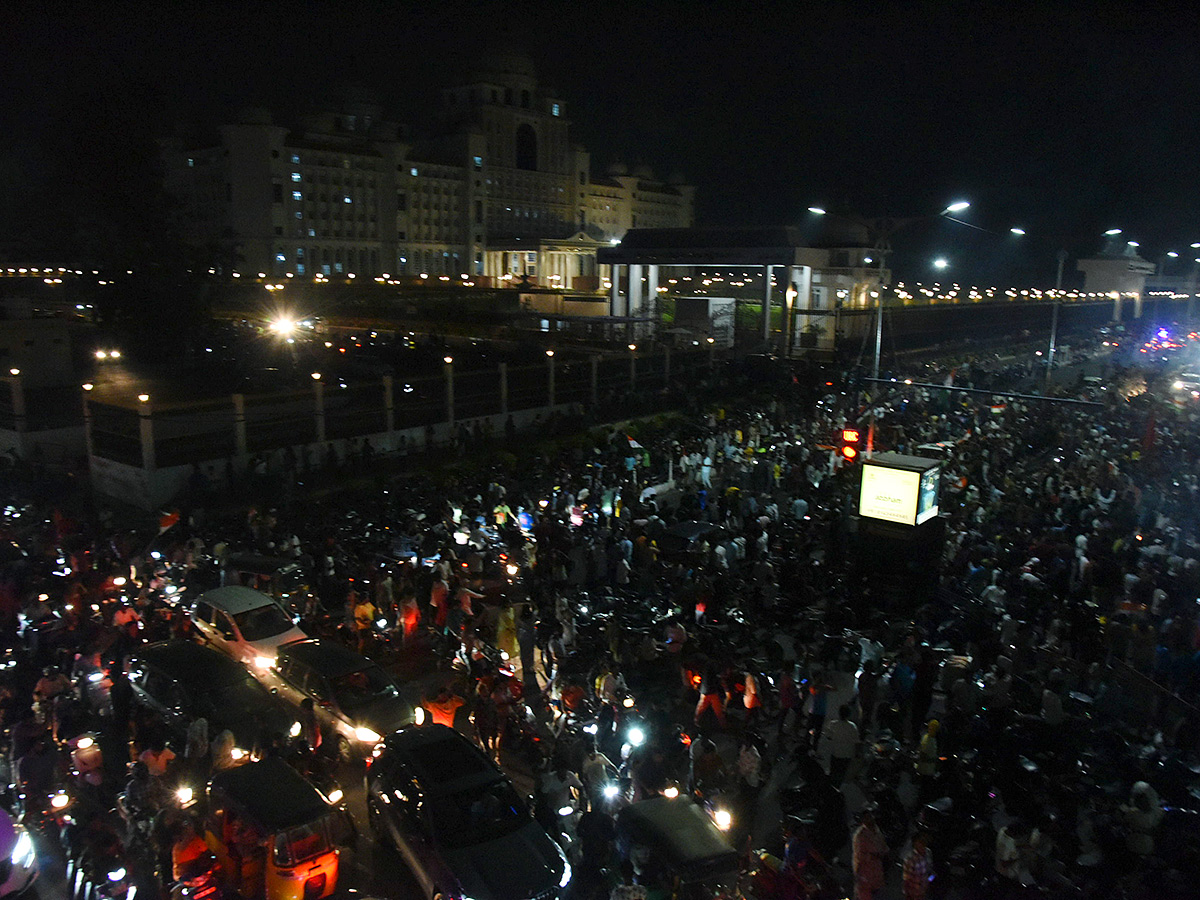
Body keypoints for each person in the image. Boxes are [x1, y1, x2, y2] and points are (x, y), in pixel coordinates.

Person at [852, 808, 888, 900]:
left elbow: (883, 845)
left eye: (870, 816)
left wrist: (884, 853)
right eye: (867, 818)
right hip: (866, 874)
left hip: (877, 871)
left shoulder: (877, 830)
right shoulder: (860, 836)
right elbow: (859, 856)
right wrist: (873, 856)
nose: (870, 819)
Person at [824, 704, 859, 785]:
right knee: (841, 773)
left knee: (833, 771)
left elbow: (829, 737)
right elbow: (856, 741)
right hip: (847, 754)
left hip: (836, 752)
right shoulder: (853, 726)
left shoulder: (833, 724)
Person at [902, 831, 935, 900]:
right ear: (914, 843)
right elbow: (906, 878)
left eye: (924, 841)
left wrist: (930, 879)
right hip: (913, 891)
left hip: (923, 889)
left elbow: (930, 869)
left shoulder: (928, 853)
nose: (922, 844)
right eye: (920, 842)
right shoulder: (910, 858)